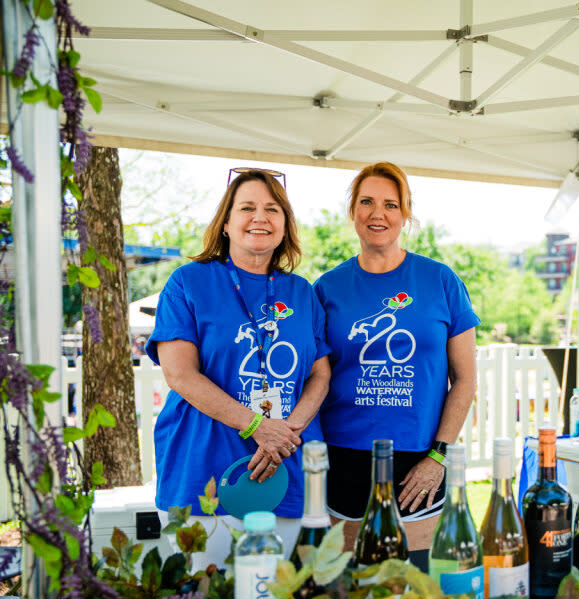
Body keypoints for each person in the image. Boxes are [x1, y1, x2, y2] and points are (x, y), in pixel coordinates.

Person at [146, 168, 331, 567]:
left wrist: (287, 432)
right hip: (203, 472)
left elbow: (320, 374)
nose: (260, 217)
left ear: (285, 226)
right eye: (247, 207)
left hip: (284, 470)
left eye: (273, 209)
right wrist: (258, 426)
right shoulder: (187, 283)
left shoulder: (301, 291)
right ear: (226, 223)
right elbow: (180, 374)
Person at [314, 162, 479, 550]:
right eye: (367, 202)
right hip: (344, 456)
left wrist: (438, 456)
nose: (378, 213)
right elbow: (316, 377)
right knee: (354, 587)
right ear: (353, 210)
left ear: (405, 215)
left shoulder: (442, 281)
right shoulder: (325, 288)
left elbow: (466, 379)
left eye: (391, 204)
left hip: (419, 457)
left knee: (416, 587)